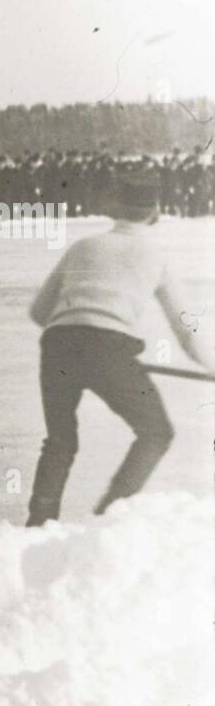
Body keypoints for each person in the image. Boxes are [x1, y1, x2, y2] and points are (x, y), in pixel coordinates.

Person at [25, 173, 213, 526]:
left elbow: (39, 312)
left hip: (57, 344)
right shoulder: (156, 256)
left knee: (60, 441)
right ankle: (107, 517)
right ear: (154, 211)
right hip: (109, 349)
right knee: (156, 432)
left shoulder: (83, 246)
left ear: (118, 208)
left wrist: (78, 329)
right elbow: (187, 331)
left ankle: (38, 524)